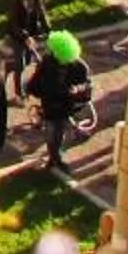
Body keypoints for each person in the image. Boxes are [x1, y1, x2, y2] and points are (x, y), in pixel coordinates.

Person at [27, 30, 91, 168]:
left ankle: (55, 157)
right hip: (50, 105)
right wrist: (32, 87)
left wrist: (77, 89)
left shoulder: (79, 67)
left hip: (64, 106)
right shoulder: (48, 61)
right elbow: (38, 77)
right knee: (51, 133)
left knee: (59, 132)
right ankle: (54, 158)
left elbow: (86, 85)